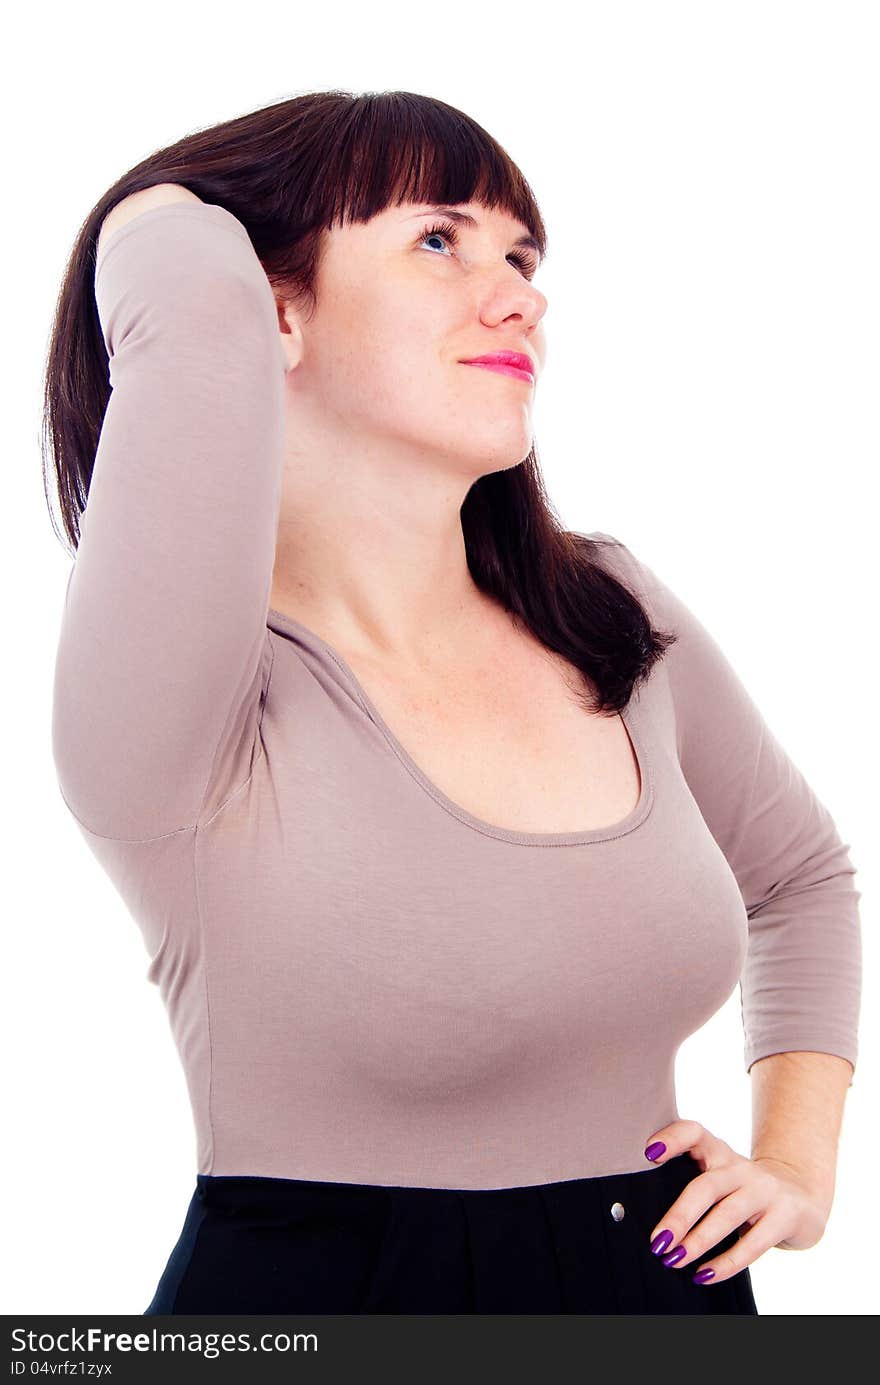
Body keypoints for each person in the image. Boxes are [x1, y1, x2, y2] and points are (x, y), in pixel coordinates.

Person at [44, 90, 860, 1315]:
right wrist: (159, 207)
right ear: (274, 306)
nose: (520, 292)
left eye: (521, 256)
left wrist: (796, 1162)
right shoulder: (185, 700)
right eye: (439, 240)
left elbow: (799, 876)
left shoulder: (608, 611)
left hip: (668, 1290)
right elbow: (186, 297)